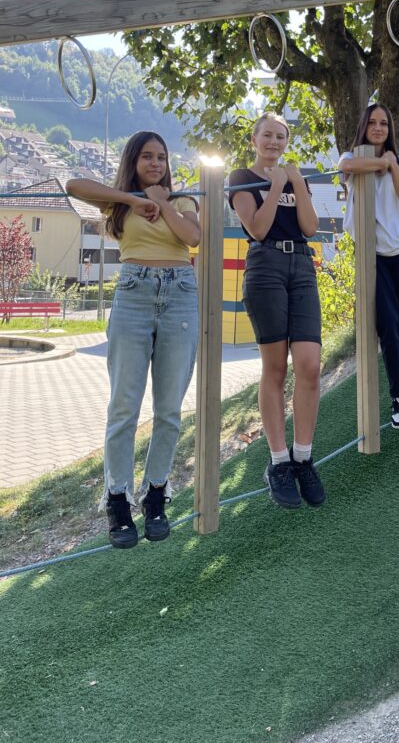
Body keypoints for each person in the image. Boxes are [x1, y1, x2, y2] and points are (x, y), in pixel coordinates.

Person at [66, 131, 200, 549]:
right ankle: (118, 499)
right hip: (133, 295)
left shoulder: (183, 200)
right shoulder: (118, 202)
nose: (156, 163)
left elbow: (192, 237)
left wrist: (161, 201)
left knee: (169, 409)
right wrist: (132, 199)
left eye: (161, 157)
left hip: (180, 296)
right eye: (147, 156)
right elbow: (73, 185)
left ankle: (156, 494)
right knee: (124, 407)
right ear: (133, 161)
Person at [228, 113, 326, 510]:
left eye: (280, 136)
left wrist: (296, 184)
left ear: (287, 142)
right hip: (265, 265)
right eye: (267, 135)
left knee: (310, 365)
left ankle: (303, 459)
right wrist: (276, 186)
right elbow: (257, 228)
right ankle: (279, 462)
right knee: (276, 368)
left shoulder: (294, 177)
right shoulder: (241, 177)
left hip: (301, 265)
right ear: (254, 139)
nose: (274, 142)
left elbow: (310, 226)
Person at [338, 103, 399, 433]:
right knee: (388, 325)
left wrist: (393, 166)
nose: (378, 128)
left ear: (390, 129)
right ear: (363, 126)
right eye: (372, 123)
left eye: (384, 124)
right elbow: (346, 166)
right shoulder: (352, 159)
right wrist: (382, 162)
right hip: (372, 256)